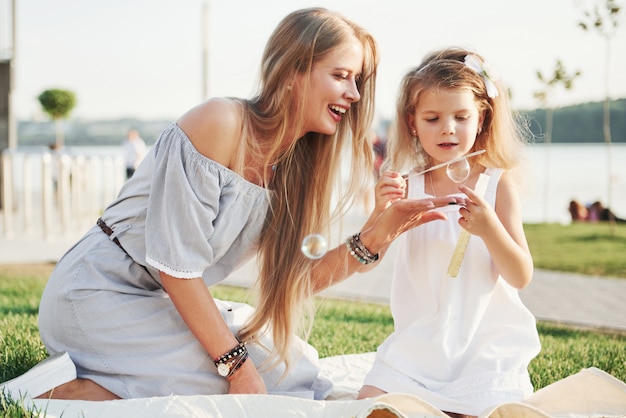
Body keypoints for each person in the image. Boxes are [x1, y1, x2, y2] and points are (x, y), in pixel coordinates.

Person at [1, 8, 462, 402]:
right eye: (341, 76)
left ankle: (112, 381)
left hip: (163, 302)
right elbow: (176, 268)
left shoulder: (294, 170)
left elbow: (297, 280)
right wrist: (234, 365)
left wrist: (376, 236)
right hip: (96, 293)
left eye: (356, 80)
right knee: (244, 381)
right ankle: (60, 394)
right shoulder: (219, 122)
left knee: (294, 371)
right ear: (293, 71)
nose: (354, 95)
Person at [357, 47, 541, 417]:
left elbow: (520, 276)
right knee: (370, 407)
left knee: (482, 411)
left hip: (484, 347)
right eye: (432, 118)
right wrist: (380, 213)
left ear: (482, 120)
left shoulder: (496, 186)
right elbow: (363, 263)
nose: (447, 128)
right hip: (419, 348)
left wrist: (490, 229)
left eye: (461, 116)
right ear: (412, 123)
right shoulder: (406, 187)